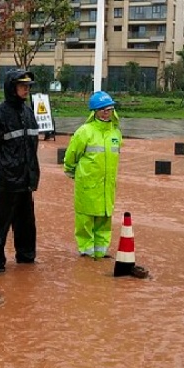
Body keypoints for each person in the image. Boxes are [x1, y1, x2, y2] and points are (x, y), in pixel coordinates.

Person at [0, 69, 41, 274]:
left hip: (26, 179)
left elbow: (32, 146)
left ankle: (26, 256)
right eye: (22, 86)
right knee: (1, 222)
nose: (26, 89)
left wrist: (31, 173)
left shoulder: (28, 112)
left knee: (26, 222)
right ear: (11, 88)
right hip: (7, 180)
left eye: (28, 86)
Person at [63, 91, 123, 259]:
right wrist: (72, 171)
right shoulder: (84, 132)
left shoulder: (115, 133)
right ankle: (86, 253)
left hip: (107, 187)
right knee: (85, 220)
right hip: (87, 186)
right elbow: (71, 156)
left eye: (109, 109)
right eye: (102, 109)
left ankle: (101, 252)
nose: (106, 112)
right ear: (94, 111)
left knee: (105, 219)